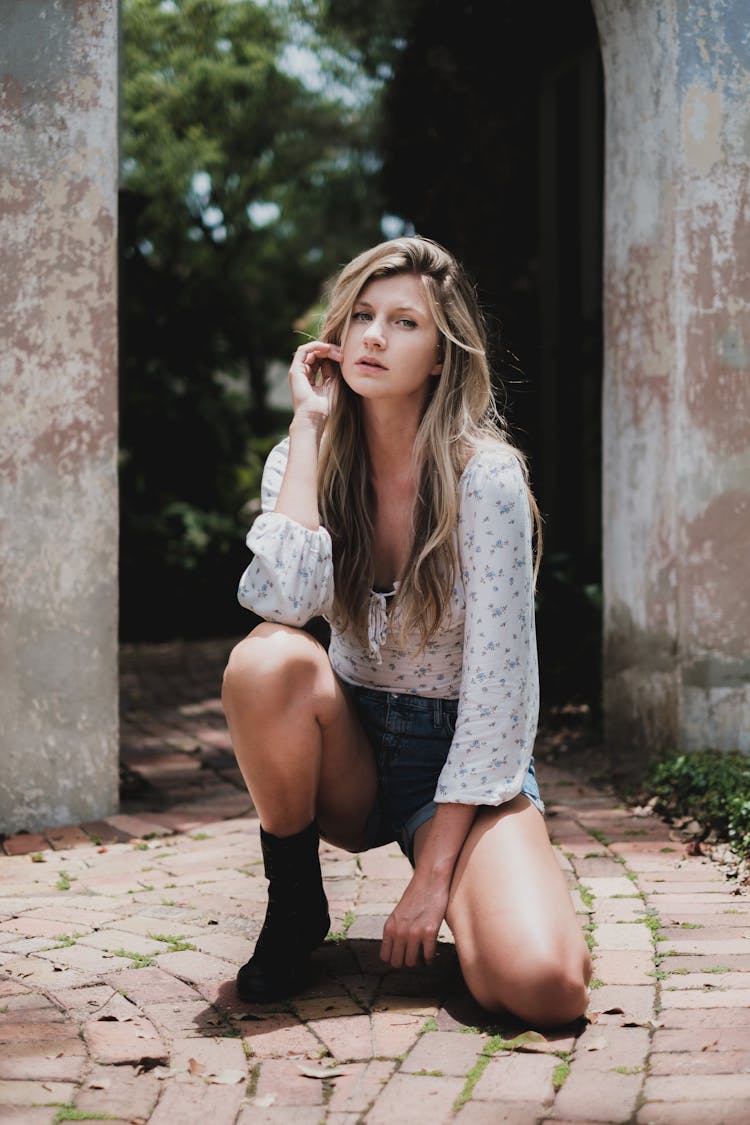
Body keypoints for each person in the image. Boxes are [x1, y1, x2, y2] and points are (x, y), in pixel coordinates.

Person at [221, 235, 592, 1026]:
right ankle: (294, 908)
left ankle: (494, 893)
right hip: (351, 749)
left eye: (404, 322)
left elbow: (501, 689)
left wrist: (433, 876)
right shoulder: (307, 452)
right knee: (266, 663)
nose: (374, 337)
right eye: (360, 316)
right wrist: (310, 423)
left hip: (460, 762)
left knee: (543, 987)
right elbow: (281, 603)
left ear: (443, 354)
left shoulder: (484, 478)